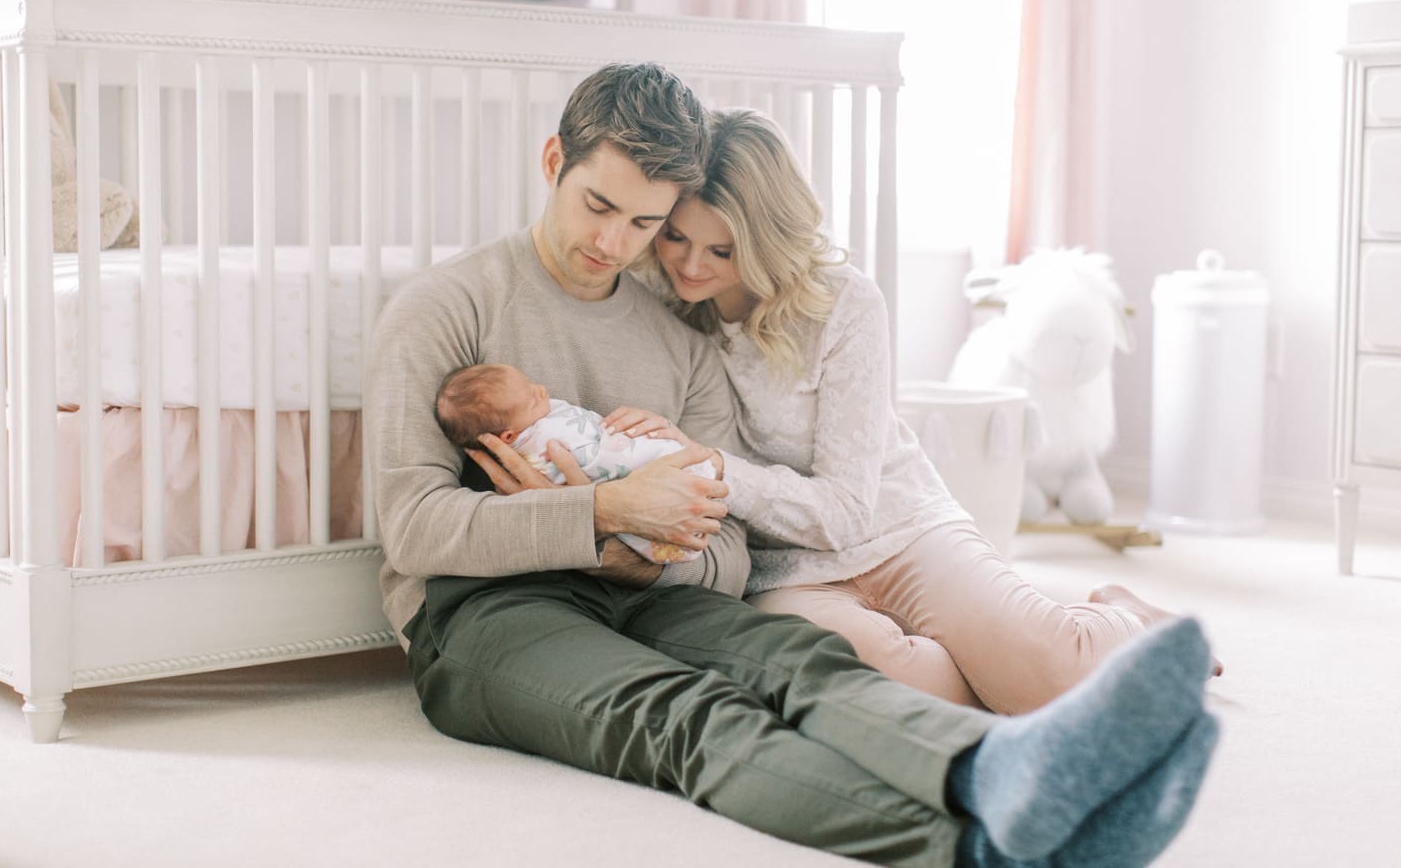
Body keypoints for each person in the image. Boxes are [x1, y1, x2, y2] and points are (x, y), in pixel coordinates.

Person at [365, 63, 1219, 867]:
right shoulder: (445, 309)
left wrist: (647, 547)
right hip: (490, 607)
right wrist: (601, 514)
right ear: (555, 162)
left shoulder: (675, 333)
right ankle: (975, 846)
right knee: (688, 719)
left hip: (653, 587)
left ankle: (998, 767)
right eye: (598, 205)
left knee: (802, 666)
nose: (615, 243)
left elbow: (731, 555)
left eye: (645, 224)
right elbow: (411, 527)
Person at [619, 107, 1218, 715]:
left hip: (900, 526)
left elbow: (848, 512)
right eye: (676, 238)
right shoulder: (659, 313)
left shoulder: (843, 303)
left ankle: (1120, 617)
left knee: (1056, 679)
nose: (691, 266)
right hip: (787, 571)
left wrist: (718, 468)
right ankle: (997, 663)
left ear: (767, 240)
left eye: (721, 250)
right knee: (890, 701)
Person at [433, 361, 713, 563]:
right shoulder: (541, 443)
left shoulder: (535, 417)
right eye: (532, 398)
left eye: (531, 384)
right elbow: (588, 464)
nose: (541, 390)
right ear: (508, 435)